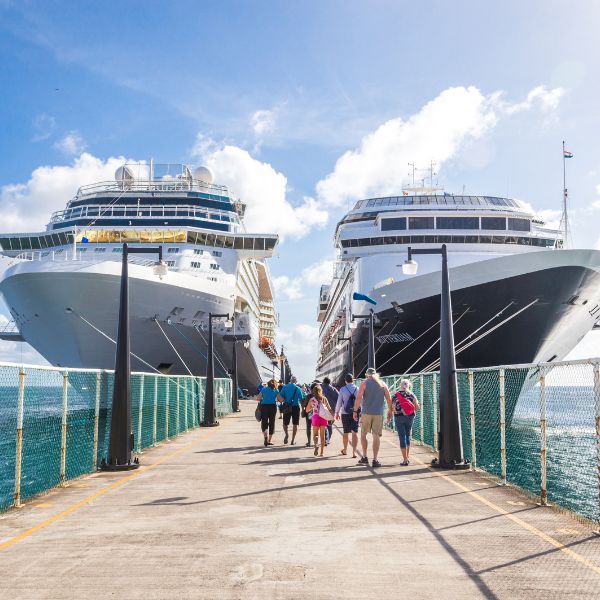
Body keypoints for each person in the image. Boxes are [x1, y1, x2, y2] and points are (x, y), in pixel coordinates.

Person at [353, 368, 393, 468]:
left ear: (367, 375)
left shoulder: (364, 383)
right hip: (378, 413)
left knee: (363, 434)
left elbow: (359, 397)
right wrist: (390, 411)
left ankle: (365, 457)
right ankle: (375, 460)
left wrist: (355, 410)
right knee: (376, 436)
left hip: (366, 412)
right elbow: (389, 398)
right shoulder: (383, 384)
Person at [393, 378, 420, 465]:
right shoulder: (411, 394)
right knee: (407, 435)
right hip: (410, 417)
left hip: (399, 417)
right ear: (409, 386)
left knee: (402, 436)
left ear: (400, 385)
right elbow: (417, 407)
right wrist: (410, 411)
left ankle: (405, 460)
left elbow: (392, 407)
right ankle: (407, 457)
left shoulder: (395, 395)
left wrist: (398, 411)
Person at [335, 373, 359, 458]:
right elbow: (361, 401)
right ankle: (354, 452)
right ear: (353, 380)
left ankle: (345, 450)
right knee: (354, 432)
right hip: (355, 413)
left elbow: (339, 402)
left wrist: (337, 412)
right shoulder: (357, 389)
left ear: (345, 381)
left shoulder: (342, 389)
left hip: (345, 413)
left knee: (345, 432)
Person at [278, 375, 303, 445]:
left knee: (285, 423)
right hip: (295, 407)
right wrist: (303, 409)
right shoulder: (298, 388)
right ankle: (292, 440)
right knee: (295, 424)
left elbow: (281, 396)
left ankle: (286, 434)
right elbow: (301, 399)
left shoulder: (285, 387)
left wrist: (283, 401)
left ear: (290, 380)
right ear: (296, 381)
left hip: (287, 406)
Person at [310, 384, 334, 457]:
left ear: (313, 391)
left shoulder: (312, 399)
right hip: (323, 418)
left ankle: (316, 445)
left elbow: (309, 409)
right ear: (321, 391)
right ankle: (322, 453)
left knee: (315, 435)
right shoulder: (324, 398)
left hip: (315, 417)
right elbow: (329, 408)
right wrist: (332, 416)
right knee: (322, 436)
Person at [256, 379, 279, 446]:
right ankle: (269, 440)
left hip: (264, 407)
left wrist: (263, 398)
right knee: (272, 422)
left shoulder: (264, 389)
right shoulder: (276, 390)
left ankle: (265, 436)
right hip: (272, 407)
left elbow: (258, 398)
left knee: (264, 422)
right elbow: (279, 399)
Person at [321, 377, 339, 445]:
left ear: (323, 382)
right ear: (329, 382)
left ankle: (325, 438)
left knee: (323, 425)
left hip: (322, 410)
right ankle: (328, 439)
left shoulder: (320, 388)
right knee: (329, 425)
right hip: (331, 410)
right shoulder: (333, 389)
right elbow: (339, 399)